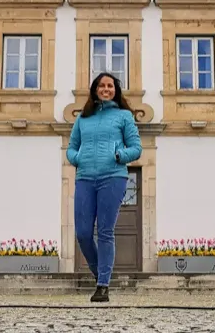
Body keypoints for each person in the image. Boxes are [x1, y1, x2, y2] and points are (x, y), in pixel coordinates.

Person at [66, 72, 142, 303]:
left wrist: (119, 155)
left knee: (106, 231)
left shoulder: (124, 116)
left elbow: (136, 148)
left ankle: (103, 285)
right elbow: (71, 148)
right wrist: (78, 158)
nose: (106, 89)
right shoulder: (83, 118)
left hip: (113, 176)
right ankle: (101, 273)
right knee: (82, 233)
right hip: (85, 178)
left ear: (115, 90)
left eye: (110, 85)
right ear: (95, 89)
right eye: (102, 85)